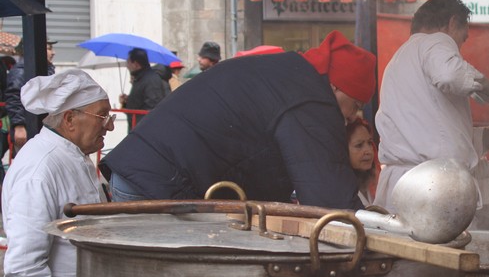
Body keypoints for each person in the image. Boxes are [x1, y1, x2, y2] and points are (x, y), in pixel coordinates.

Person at [101, 30, 375, 209]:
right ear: (338, 87)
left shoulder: (287, 73)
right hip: (155, 184)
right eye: (357, 104)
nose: (354, 116)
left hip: (143, 172)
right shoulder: (310, 96)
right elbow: (328, 196)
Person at [374, 0, 489, 211]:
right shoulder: (433, 42)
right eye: (463, 38)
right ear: (451, 24)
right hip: (428, 194)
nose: (459, 49)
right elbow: (451, 75)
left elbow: (446, 141)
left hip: (411, 190)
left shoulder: (398, 62)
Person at [0, 69, 114, 277]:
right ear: (70, 119)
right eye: (103, 116)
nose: (110, 126)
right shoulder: (40, 169)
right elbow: (23, 266)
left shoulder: (73, 157)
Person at [5, 38, 57, 153]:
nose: (53, 53)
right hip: (29, 128)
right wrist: (19, 126)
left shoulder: (47, 69)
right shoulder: (20, 71)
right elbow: (14, 99)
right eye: (48, 48)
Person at [119, 48, 170, 131]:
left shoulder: (151, 79)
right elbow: (138, 103)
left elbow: (153, 107)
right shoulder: (140, 79)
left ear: (135, 64)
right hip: (136, 129)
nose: (127, 66)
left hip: (145, 131)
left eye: (128, 62)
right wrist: (126, 102)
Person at [347, 118, 378, 206]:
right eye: (359, 145)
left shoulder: (371, 184)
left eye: (369, 143)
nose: (368, 151)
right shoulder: (342, 190)